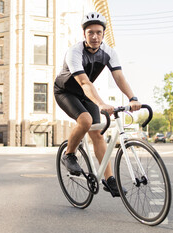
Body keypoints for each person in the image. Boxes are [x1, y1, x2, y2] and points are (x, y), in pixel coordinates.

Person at [54, 12, 141, 196]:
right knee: (85, 121)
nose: (95, 36)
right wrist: (101, 103)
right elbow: (85, 82)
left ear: (103, 34)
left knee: (98, 135)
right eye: (90, 32)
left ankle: (109, 180)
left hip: (86, 94)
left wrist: (132, 98)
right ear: (84, 34)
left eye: (98, 32)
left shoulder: (109, 52)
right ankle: (69, 154)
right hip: (66, 92)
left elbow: (119, 77)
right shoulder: (75, 52)